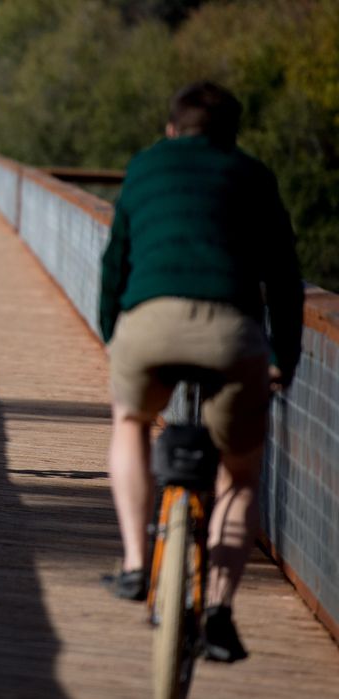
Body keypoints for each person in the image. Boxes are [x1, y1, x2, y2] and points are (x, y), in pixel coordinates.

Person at [98, 81, 303, 662]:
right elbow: (285, 282)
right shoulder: (253, 175)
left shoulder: (144, 166)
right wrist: (282, 360)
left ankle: (137, 564)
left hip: (150, 325)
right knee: (237, 476)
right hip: (232, 334)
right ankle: (218, 609)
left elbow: (117, 261)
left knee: (131, 422)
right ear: (231, 134)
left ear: (171, 128)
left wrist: (113, 333)